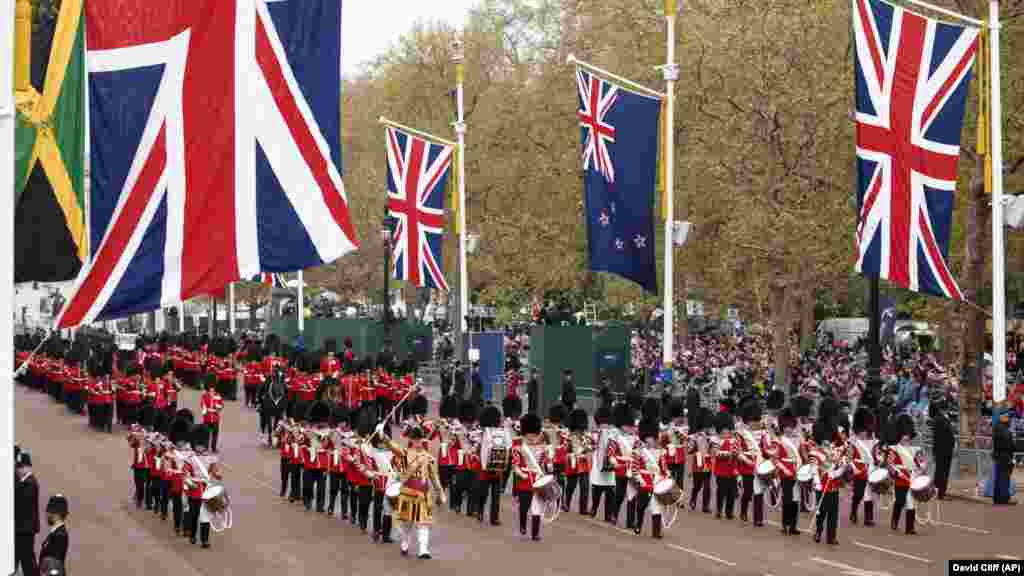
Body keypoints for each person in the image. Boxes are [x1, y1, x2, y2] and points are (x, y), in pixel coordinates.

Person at [380, 415, 446, 559]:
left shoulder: (429, 458)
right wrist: (383, 436)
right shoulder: (404, 453)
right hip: (408, 492)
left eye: (419, 439)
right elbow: (393, 447)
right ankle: (405, 542)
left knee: (423, 523)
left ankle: (423, 549)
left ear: (422, 440)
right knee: (407, 523)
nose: (417, 441)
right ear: (411, 440)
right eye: (414, 439)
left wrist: (440, 492)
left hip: (423, 494)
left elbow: (434, 478)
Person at [512, 413, 548, 541]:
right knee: (524, 506)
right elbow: (515, 465)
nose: (533, 436)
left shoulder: (542, 447)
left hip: (537, 480)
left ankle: (535, 533)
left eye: (535, 433)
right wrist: (521, 474)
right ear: (525, 432)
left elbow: (544, 464)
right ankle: (522, 524)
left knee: (537, 507)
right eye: (530, 434)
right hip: (525, 481)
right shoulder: (518, 446)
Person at [887, 413, 924, 534]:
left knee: (911, 502)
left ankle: (910, 528)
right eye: (904, 434)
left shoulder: (915, 450)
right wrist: (894, 472)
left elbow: (921, 464)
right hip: (900, 479)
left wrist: (922, 469)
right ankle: (894, 520)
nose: (906, 437)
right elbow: (890, 464)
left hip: (911, 479)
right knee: (900, 501)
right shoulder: (894, 449)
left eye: (907, 434)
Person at [631, 418, 667, 538]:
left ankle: (656, 532)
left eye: (652, 438)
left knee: (656, 507)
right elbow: (634, 468)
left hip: (656, 481)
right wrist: (640, 480)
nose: (650, 440)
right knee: (641, 506)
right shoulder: (638, 451)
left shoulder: (660, 451)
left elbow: (663, 467)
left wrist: (666, 476)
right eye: (648, 438)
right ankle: (638, 524)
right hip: (644, 481)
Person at [15, 450, 39, 576]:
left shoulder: (30, 483)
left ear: (27, 466)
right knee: (23, 559)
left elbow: (21, 504)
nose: (18, 470)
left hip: (25, 529)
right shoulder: (25, 482)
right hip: (23, 528)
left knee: (27, 560)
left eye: (20, 467)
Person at [931, 402, 955, 500]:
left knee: (939, 472)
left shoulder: (940, 418)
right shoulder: (941, 419)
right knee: (943, 473)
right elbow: (944, 435)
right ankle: (941, 493)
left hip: (941, 449)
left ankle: (937, 492)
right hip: (944, 449)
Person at [992, 407, 1016, 505]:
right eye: (1007, 416)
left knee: (1000, 478)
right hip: (1004, 456)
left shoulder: (999, 427)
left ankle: (998, 498)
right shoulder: (1002, 429)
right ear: (1002, 417)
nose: (1009, 418)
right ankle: (1003, 498)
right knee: (1004, 478)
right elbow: (1008, 444)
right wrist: (1014, 446)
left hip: (1000, 455)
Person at [40, 494, 70, 567]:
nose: (46, 515)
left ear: (56, 514)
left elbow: (54, 564)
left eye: (48, 512)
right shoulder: (56, 532)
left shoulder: (59, 535)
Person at [201, 380, 224, 453]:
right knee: (206, 433)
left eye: (213, 390)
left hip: (215, 417)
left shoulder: (218, 395)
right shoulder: (205, 395)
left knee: (215, 434)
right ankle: (205, 447)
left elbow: (221, 404)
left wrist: (218, 407)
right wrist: (204, 410)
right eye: (210, 390)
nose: (212, 391)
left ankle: (213, 448)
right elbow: (203, 404)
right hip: (207, 417)